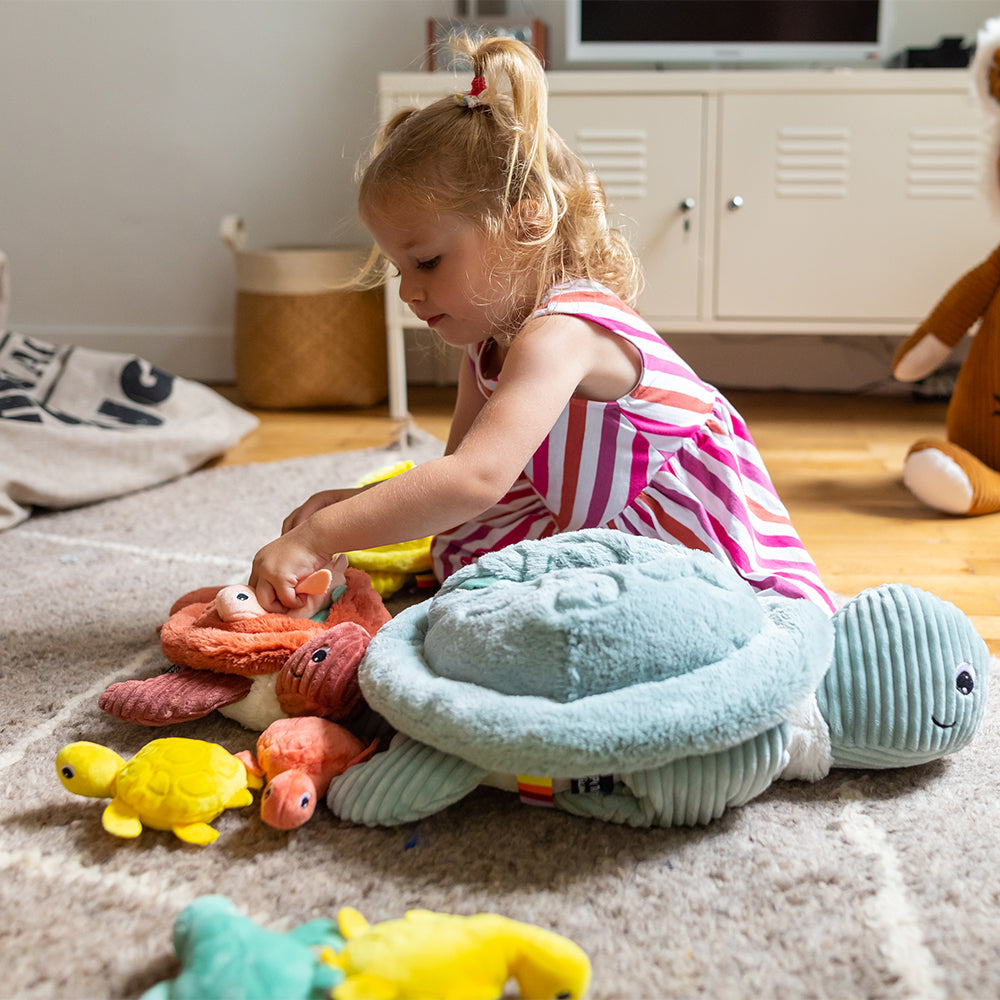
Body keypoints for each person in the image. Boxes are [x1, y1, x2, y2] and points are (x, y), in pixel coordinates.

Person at [249, 35, 834, 615]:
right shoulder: (486, 347)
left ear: (525, 221)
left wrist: (318, 537)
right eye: (400, 269)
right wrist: (341, 509)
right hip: (609, 541)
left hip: (701, 554)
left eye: (426, 261)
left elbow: (474, 479)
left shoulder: (561, 332)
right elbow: (456, 489)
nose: (408, 290)